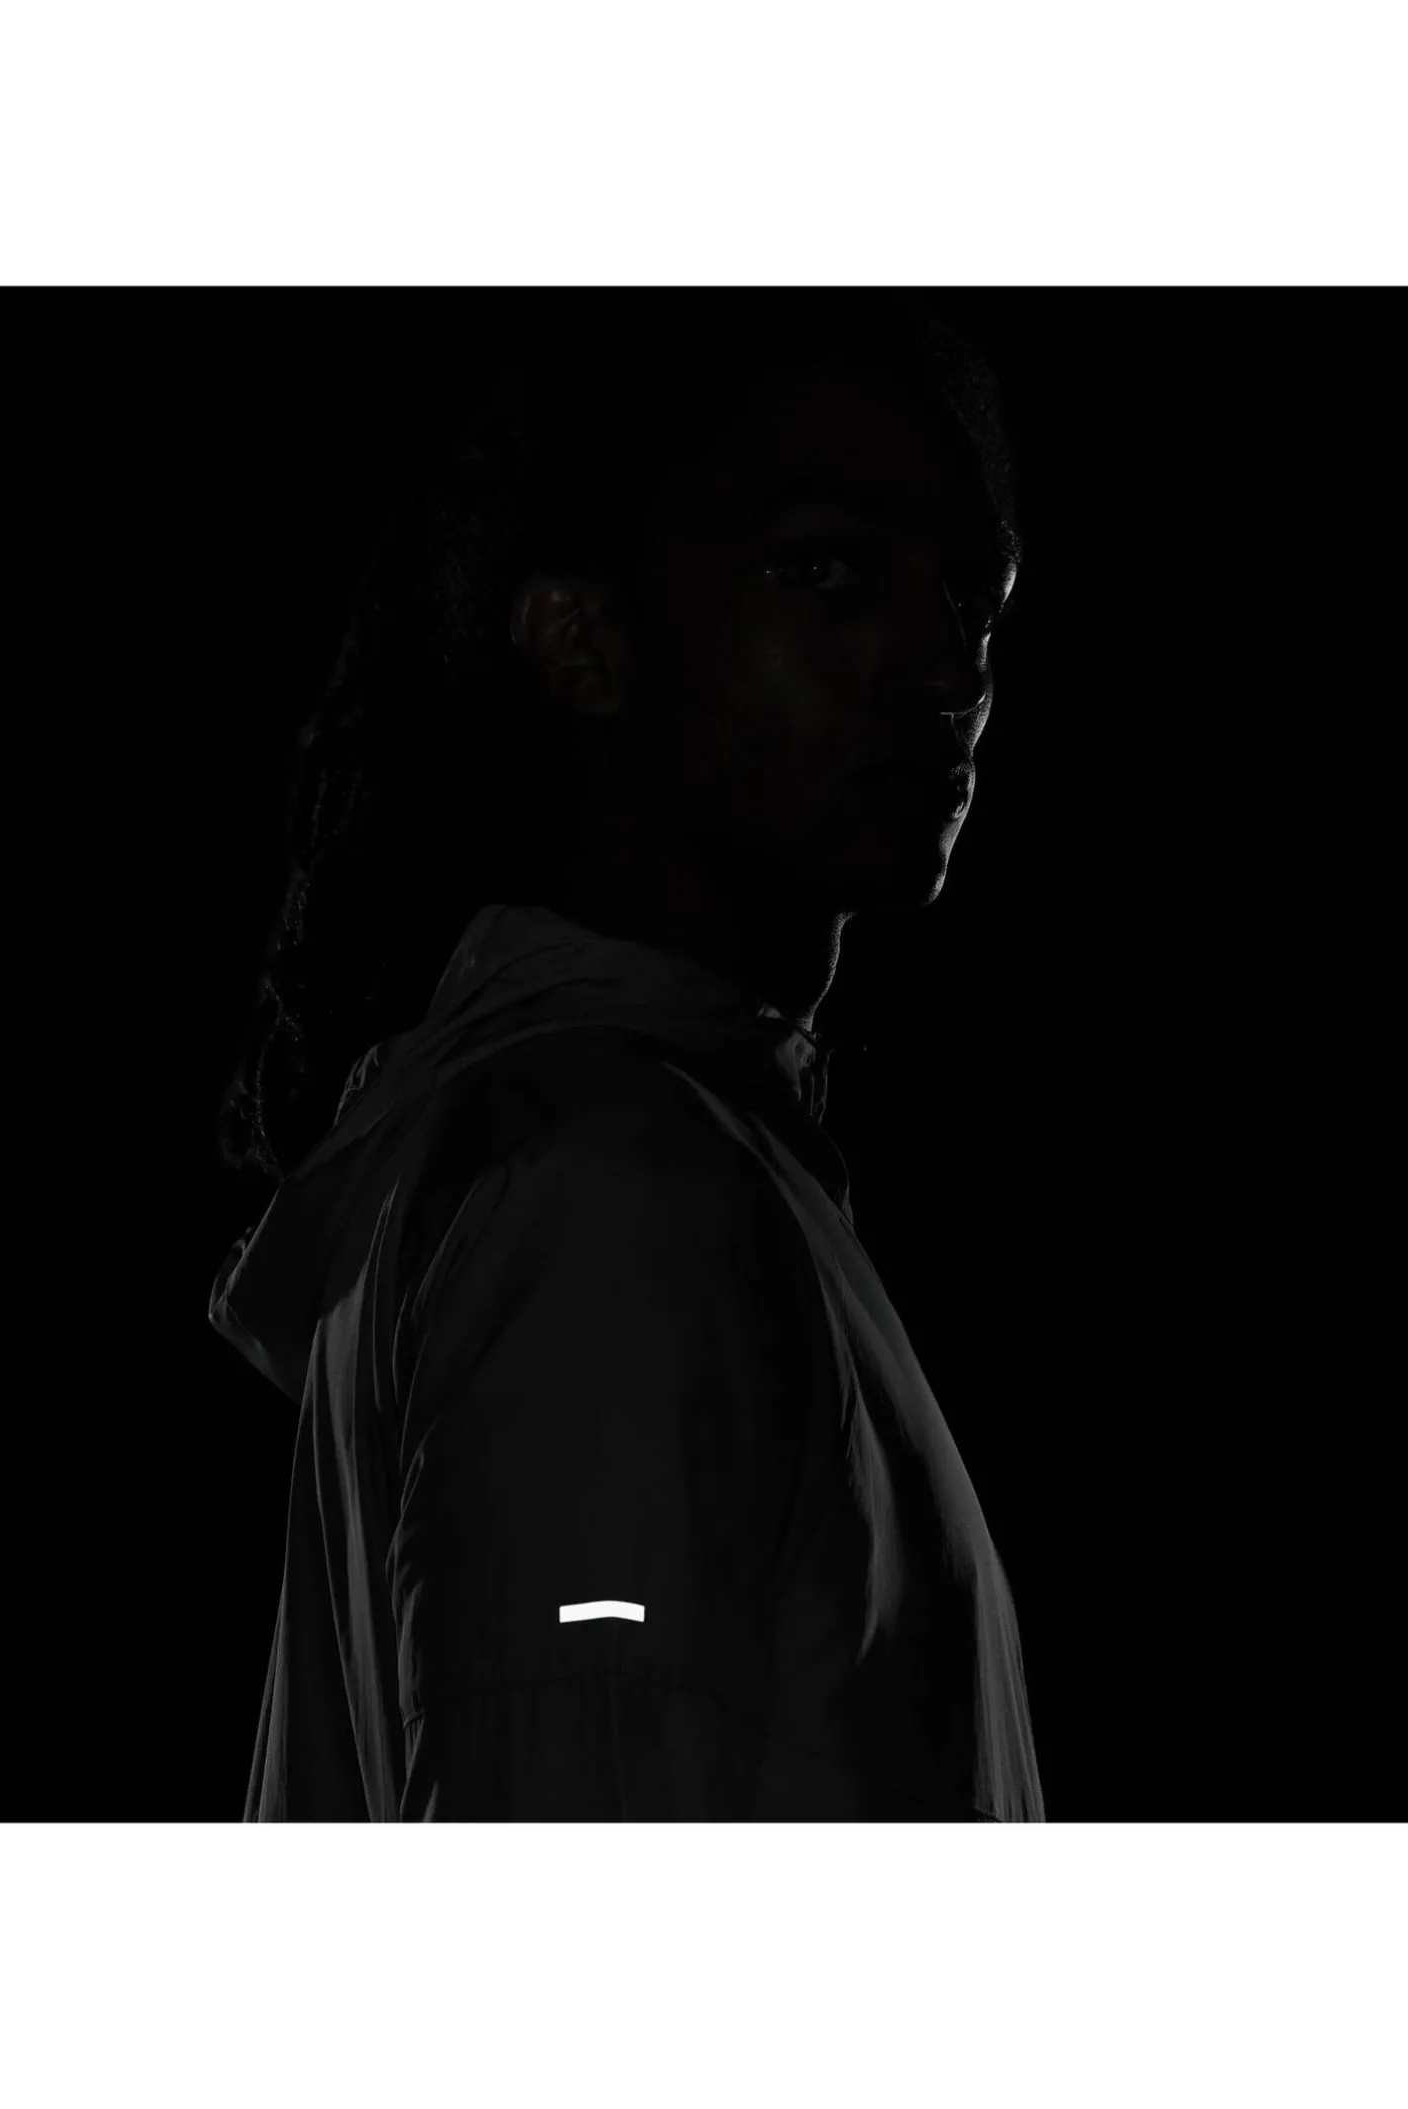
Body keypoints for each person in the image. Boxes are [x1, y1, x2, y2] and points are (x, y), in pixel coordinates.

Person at [210, 291, 1046, 1819]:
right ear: (583, 638)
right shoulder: (613, 1192)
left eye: (972, 600)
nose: (945, 664)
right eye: (825, 571)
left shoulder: (606, 1153)